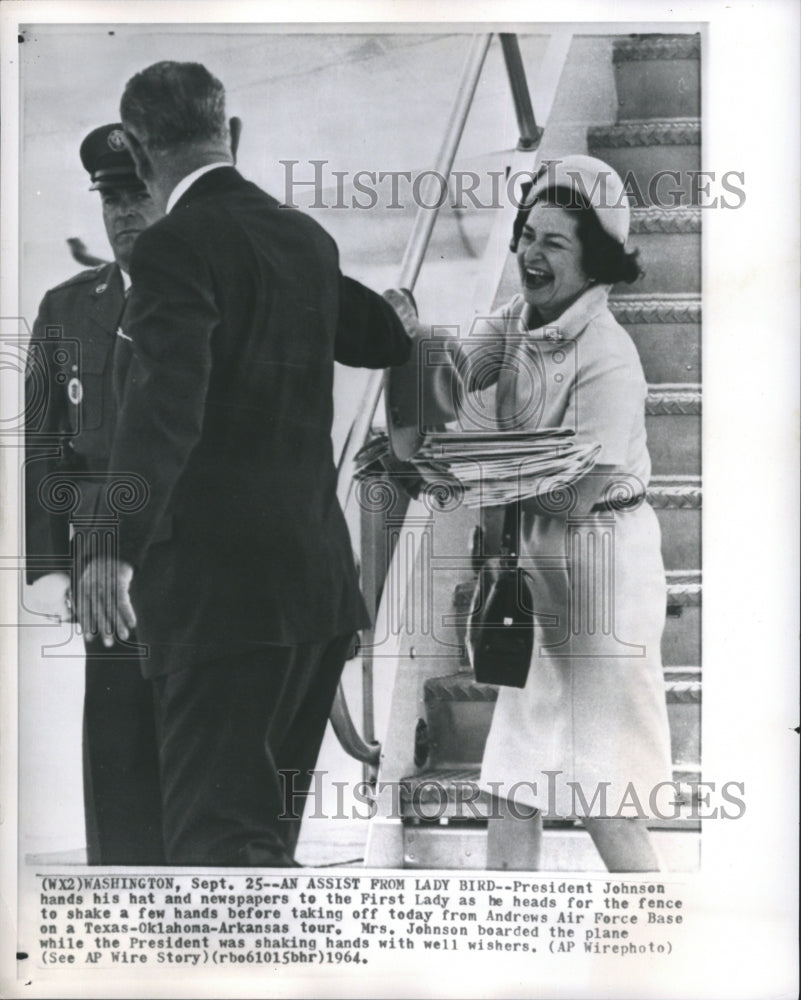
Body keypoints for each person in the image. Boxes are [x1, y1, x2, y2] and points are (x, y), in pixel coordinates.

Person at [76, 61, 411, 866]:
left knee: (214, 850)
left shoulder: (171, 248)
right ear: (227, 134)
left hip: (221, 608)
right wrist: (399, 309)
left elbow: (165, 408)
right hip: (315, 599)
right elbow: (382, 338)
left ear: (140, 146)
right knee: (261, 847)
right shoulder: (301, 235)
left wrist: (111, 544)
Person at [385, 155, 673, 872]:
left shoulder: (609, 354)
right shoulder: (514, 322)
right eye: (525, 235)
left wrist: (471, 470)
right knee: (513, 783)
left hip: (602, 569)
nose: (528, 253)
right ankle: (502, 950)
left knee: (606, 796)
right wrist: (407, 345)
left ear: (592, 260)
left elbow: (573, 492)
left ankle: (667, 950)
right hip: (535, 565)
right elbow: (449, 389)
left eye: (552, 242)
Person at [24, 124, 165, 864]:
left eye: (137, 191)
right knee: (117, 763)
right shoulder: (68, 308)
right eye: (111, 195)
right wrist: (51, 564)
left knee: (197, 774)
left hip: (194, 564)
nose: (122, 211)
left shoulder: (214, 299)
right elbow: (47, 443)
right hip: (102, 574)